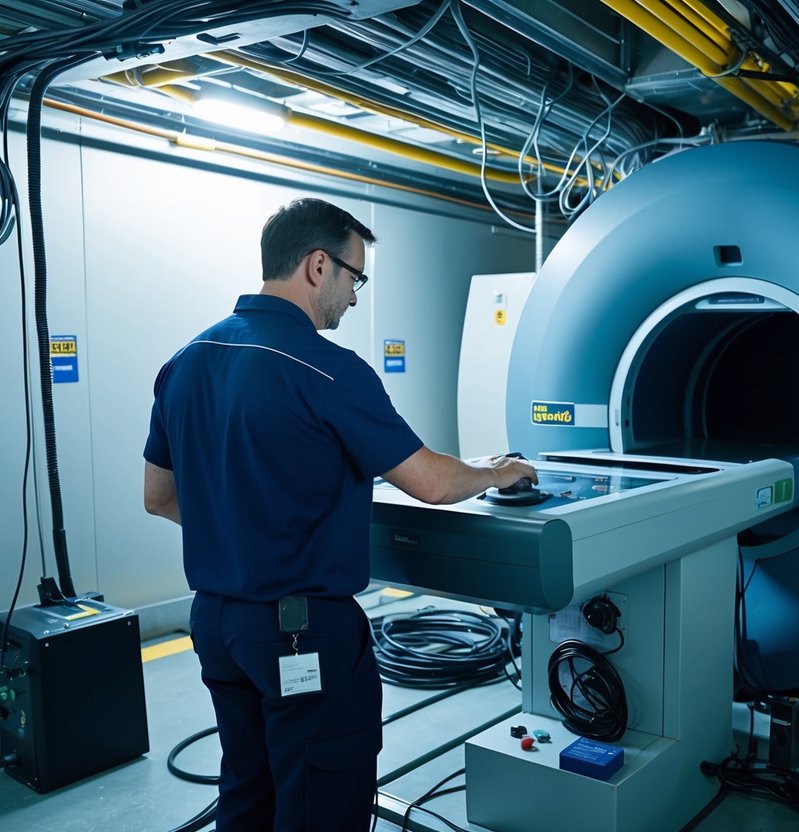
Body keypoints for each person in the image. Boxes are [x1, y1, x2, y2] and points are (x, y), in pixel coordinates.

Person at [142, 197, 536, 831]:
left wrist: (241, 528)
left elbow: (158, 496)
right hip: (300, 633)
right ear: (318, 266)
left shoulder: (187, 361)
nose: (354, 297)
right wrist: (496, 472)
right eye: (356, 276)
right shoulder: (327, 370)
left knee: (248, 787)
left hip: (216, 628)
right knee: (320, 801)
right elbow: (430, 483)